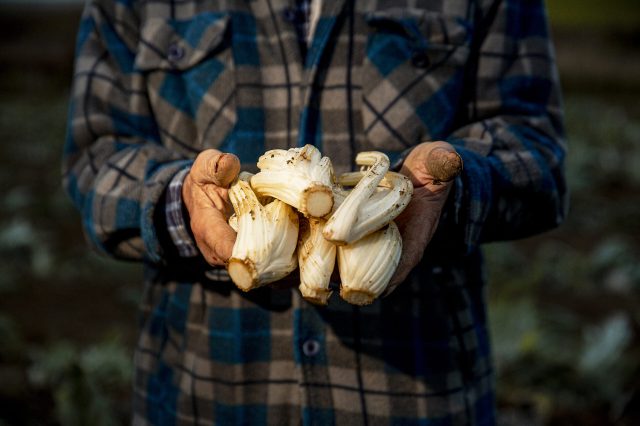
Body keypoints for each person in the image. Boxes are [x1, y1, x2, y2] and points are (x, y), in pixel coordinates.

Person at [62, 0, 567, 424]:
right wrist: (187, 203)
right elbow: (95, 160)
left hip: (417, 395)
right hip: (202, 394)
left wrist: (446, 192)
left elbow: (536, 152)